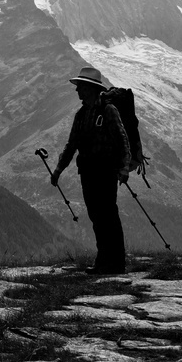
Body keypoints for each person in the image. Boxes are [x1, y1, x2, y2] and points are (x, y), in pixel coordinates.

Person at [50, 67, 131, 275]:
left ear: (91, 89)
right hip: (87, 172)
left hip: (105, 171)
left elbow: (122, 139)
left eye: (81, 88)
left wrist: (124, 168)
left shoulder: (108, 111)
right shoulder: (82, 114)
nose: (77, 92)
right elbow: (72, 144)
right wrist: (58, 170)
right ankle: (104, 261)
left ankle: (116, 263)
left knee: (108, 215)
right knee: (97, 215)